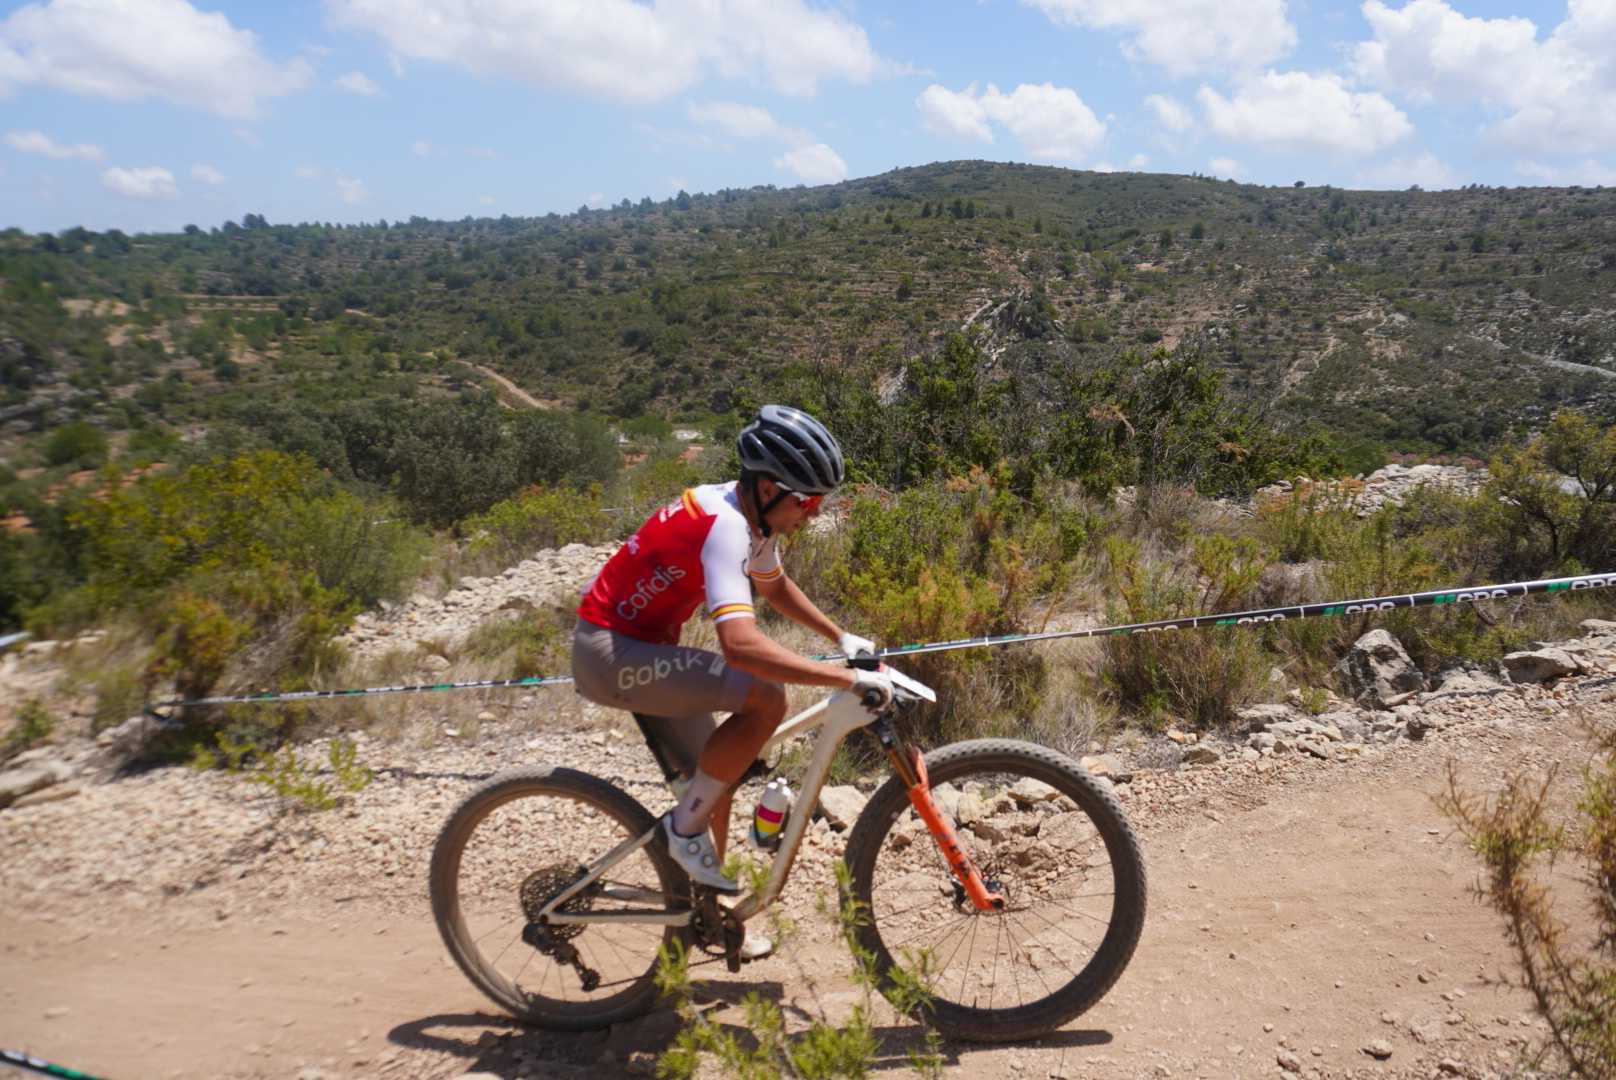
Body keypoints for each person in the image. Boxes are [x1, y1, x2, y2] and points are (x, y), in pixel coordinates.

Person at [572, 405, 893, 913]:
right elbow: (740, 646)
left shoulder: (750, 518)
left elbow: (773, 585)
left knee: (714, 778)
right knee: (765, 699)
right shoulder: (724, 525)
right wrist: (843, 679)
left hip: (642, 647)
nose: (813, 515)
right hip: (609, 653)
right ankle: (683, 833)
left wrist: (841, 636)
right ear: (769, 489)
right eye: (807, 502)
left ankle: (703, 915)